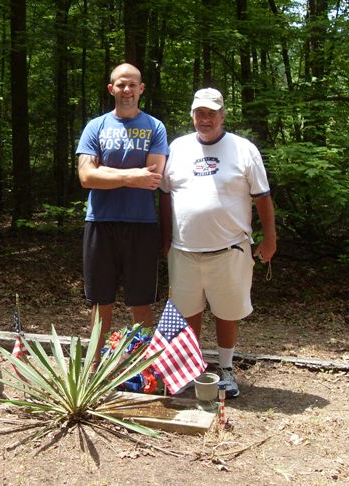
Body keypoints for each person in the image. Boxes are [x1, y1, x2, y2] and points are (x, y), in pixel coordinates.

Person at [159, 87, 277, 398]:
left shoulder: (243, 149)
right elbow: (165, 196)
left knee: (227, 312)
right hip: (183, 250)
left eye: (211, 113)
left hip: (229, 249)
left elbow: (262, 197)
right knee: (187, 311)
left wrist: (270, 239)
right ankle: (191, 368)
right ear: (192, 116)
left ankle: (226, 368)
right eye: (200, 113)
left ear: (222, 115)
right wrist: (164, 238)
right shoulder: (178, 148)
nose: (205, 119)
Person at [76, 63, 169, 356]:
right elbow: (86, 177)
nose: (126, 90)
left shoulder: (155, 127)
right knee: (99, 301)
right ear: (111, 89)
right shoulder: (96, 126)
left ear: (141, 89)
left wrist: (105, 172)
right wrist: (131, 176)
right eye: (120, 84)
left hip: (141, 225)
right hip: (100, 222)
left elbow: (152, 178)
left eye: (132, 85)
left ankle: (144, 368)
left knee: (140, 301)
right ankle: (94, 367)